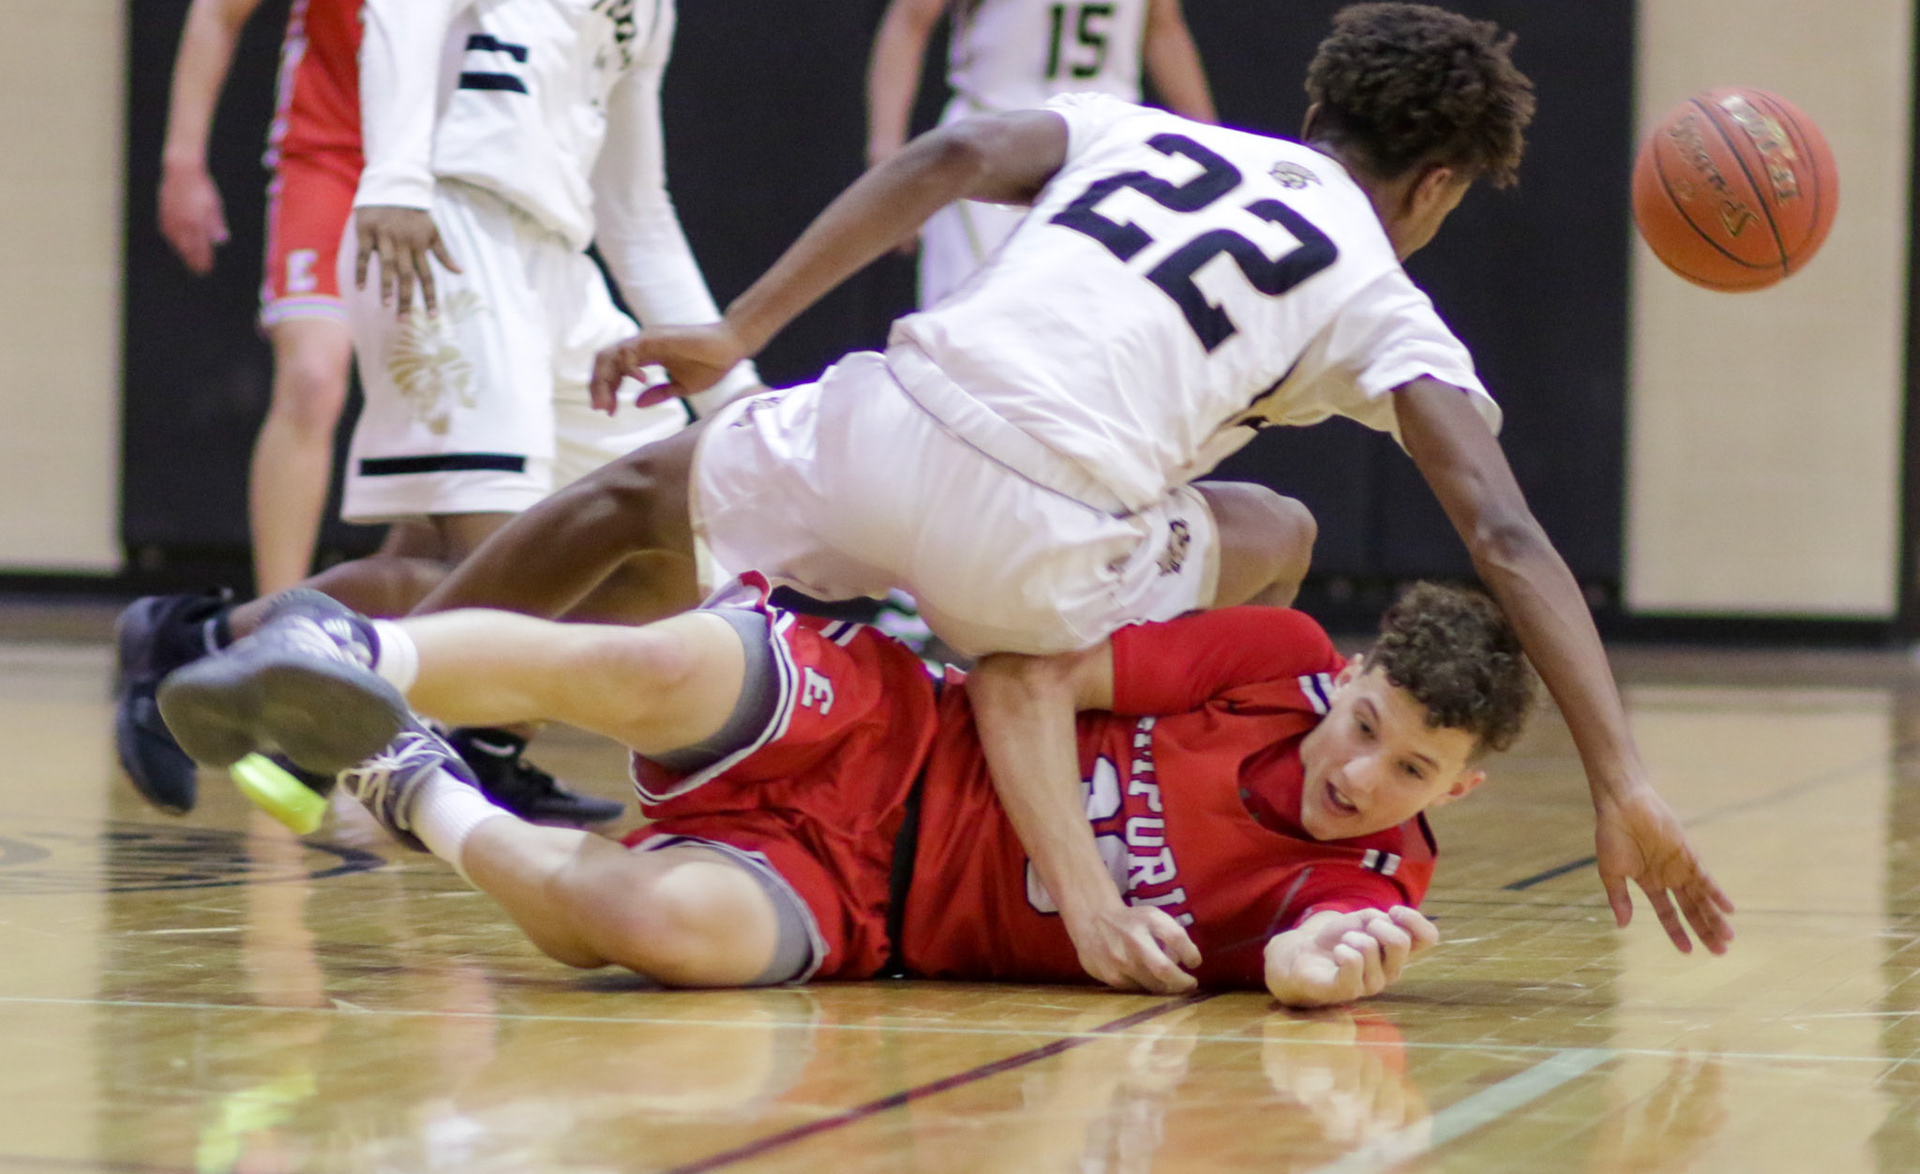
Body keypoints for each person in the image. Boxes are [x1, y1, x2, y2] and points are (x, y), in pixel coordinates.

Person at [416, 2, 1738, 971]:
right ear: (1439, 185)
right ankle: (963, 671)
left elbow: (943, 161)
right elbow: (1502, 531)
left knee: (629, 502)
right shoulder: (1383, 295)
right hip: (1031, 534)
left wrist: (736, 329)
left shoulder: (1143, 129)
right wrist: (1620, 772)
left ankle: (405, 696)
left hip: (890, 414)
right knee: (1266, 541)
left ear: (1316, 109)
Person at [154, 579, 1535, 1003]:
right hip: (892, 728)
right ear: (1348, 673)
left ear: (1459, 792)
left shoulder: (1374, 882)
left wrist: (1313, 969)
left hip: (871, 905)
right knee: (649, 665)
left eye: (1411, 767)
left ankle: (410, 785)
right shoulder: (1271, 661)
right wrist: (1100, 891)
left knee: (649, 931)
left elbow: (1306, 953)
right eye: (1366, 723)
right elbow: (1018, 678)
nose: (1362, 773)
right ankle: (351, 647)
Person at [116, 0, 760, 825]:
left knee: (665, 551)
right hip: (452, 233)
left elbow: (637, 214)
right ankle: (213, 651)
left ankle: (251, 658)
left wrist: (740, 395)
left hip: (556, 268)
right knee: (496, 572)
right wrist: (394, 179)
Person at [158, 0, 396, 597]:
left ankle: (448, 626)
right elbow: (217, 4)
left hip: (444, 161)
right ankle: (276, 622)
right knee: (313, 380)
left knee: (440, 393)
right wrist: (183, 159)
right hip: (327, 156)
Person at [868, 0, 1215, 304]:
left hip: (1102, 152)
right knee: (967, 336)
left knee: (1088, 329)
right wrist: (886, 151)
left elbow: (1163, 29)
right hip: (994, 151)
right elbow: (910, 21)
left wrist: (1212, 148)